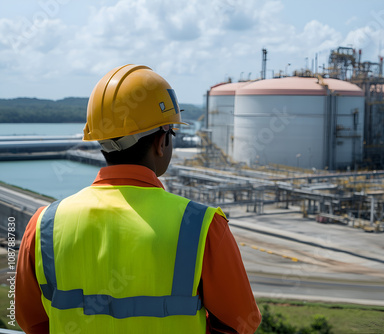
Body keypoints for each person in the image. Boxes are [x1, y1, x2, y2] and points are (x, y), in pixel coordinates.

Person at [15, 64, 262, 333]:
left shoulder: (44, 226)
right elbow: (240, 322)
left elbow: (31, 321)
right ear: (161, 142)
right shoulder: (202, 226)